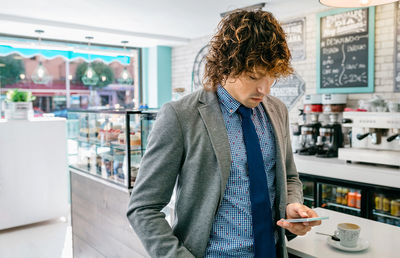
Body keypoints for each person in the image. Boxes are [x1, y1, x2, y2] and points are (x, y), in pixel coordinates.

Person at [127, 10, 321, 258]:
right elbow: (143, 208)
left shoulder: (277, 111)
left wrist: (292, 206)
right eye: (253, 76)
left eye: (271, 76)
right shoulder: (180, 116)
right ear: (226, 66)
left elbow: (290, 177)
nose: (264, 88)